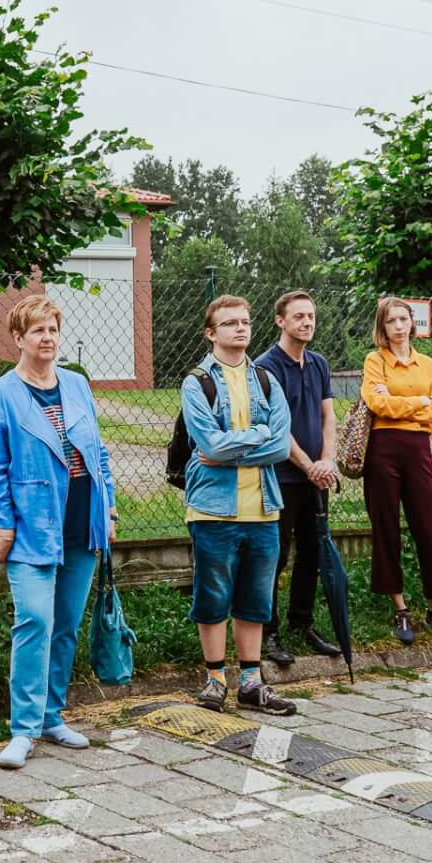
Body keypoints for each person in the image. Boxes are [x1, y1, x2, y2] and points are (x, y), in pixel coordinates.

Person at [0, 294, 118, 770]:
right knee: (34, 620)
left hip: (82, 521)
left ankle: (51, 716)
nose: (47, 338)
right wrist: (1, 528)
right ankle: (22, 730)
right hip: (33, 527)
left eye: (53, 330)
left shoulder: (77, 385)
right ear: (18, 338)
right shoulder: (1, 394)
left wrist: (110, 510)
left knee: (65, 624)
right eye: (37, 330)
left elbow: (99, 453)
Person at [181, 296, 300, 716]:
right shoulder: (197, 382)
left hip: (264, 509)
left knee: (255, 599)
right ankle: (215, 679)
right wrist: (259, 436)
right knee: (212, 597)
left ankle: (251, 683)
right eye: (230, 323)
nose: (240, 328)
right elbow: (207, 443)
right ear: (211, 333)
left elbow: (280, 445)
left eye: (245, 322)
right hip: (213, 510)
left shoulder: (266, 379)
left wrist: (236, 448)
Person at [360, 297, 432, 646]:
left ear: (412, 323)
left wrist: (406, 407)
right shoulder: (375, 361)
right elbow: (377, 404)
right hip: (382, 450)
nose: (399, 326)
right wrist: (419, 403)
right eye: (391, 321)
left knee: (430, 531)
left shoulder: (427, 364)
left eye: (404, 319)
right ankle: (400, 608)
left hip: (418, 451)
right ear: (382, 327)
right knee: (386, 528)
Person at [256, 290, 344, 667]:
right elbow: (277, 427)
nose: (307, 322)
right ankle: (268, 631)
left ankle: (302, 623)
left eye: (311, 316)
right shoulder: (266, 366)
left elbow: (329, 416)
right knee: (276, 557)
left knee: (313, 552)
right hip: (282, 476)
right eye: (299, 317)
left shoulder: (319, 363)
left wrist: (328, 460)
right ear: (281, 321)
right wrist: (308, 465)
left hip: (316, 477)